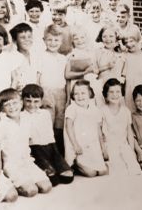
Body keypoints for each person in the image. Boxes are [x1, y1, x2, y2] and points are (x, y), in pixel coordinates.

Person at [0, 88, 52, 197]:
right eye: (7, 105)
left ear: (21, 103)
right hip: (12, 165)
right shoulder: (1, 125)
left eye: (15, 103)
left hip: (27, 162)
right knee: (31, 191)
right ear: (2, 108)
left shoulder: (26, 120)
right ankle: (14, 183)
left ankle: (27, 181)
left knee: (46, 187)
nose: (12, 107)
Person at [21, 84, 74, 186]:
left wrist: (56, 155)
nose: (32, 105)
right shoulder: (21, 116)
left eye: (36, 101)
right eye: (28, 101)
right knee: (53, 180)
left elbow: (50, 135)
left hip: (50, 147)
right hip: (35, 150)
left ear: (41, 101)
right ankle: (47, 169)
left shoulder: (45, 114)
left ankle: (53, 167)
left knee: (68, 177)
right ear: (22, 100)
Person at [64, 80, 108, 177]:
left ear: (90, 94)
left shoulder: (94, 109)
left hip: (92, 145)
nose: (80, 96)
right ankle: (75, 164)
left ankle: (95, 161)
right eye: (76, 94)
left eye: (83, 93)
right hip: (79, 145)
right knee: (91, 173)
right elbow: (69, 127)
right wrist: (75, 145)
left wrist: (103, 148)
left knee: (103, 172)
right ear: (73, 96)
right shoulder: (72, 108)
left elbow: (98, 130)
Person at [101, 79, 141, 175]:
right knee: (119, 171)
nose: (115, 95)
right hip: (109, 146)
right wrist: (103, 149)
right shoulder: (102, 111)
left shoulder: (126, 111)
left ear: (122, 93)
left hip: (123, 145)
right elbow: (99, 132)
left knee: (134, 170)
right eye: (111, 92)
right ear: (106, 94)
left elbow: (129, 132)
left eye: (118, 91)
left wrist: (132, 150)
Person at [38, 24, 67, 155]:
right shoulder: (40, 57)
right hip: (46, 92)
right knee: (47, 123)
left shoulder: (64, 58)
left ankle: (59, 155)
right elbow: (37, 78)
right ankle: (47, 155)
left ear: (61, 41)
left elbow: (66, 79)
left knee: (59, 124)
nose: (53, 43)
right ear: (44, 40)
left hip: (61, 92)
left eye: (56, 40)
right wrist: (40, 97)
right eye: (49, 40)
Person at [64, 26, 99, 104]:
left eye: (82, 37)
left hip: (90, 86)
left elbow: (96, 71)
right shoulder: (71, 55)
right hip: (76, 88)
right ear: (72, 41)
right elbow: (67, 76)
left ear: (86, 38)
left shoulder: (92, 54)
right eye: (76, 38)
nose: (80, 41)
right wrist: (68, 98)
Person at [123, 27, 142, 111]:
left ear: (138, 40)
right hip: (130, 89)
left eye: (131, 41)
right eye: (126, 42)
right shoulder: (125, 56)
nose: (128, 44)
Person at [10, 23, 41, 91]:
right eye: (22, 37)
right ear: (15, 41)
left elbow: (38, 78)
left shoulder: (35, 56)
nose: (27, 40)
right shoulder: (12, 58)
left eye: (29, 36)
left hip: (34, 94)